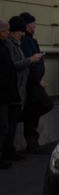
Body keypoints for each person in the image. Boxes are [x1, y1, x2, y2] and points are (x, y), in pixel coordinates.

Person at [3, 17, 42, 160]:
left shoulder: (16, 44)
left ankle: (10, 150)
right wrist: (30, 60)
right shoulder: (10, 45)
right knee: (9, 123)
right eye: (20, 31)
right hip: (14, 90)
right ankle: (8, 151)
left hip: (19, 88)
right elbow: (14, 65)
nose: (23, 34)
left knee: (12, 122)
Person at [18, 12, 47, 152]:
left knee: (36, 109)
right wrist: (37, 79)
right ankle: (32, 141)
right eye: (33, 24)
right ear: (28, 26)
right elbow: (31, 62)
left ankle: (33, 140)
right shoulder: (26, 41)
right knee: (33, 110)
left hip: (34, 81)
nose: (35, 26)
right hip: (31, 83)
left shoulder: (29, 40)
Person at [0, 20, 21, 169]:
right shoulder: (4, 46)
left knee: (5, 125)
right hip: (2, 93)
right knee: (3, 126)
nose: (8, 34)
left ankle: (5, 152)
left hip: (6, 93)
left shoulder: (4, 46)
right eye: (6, 31)